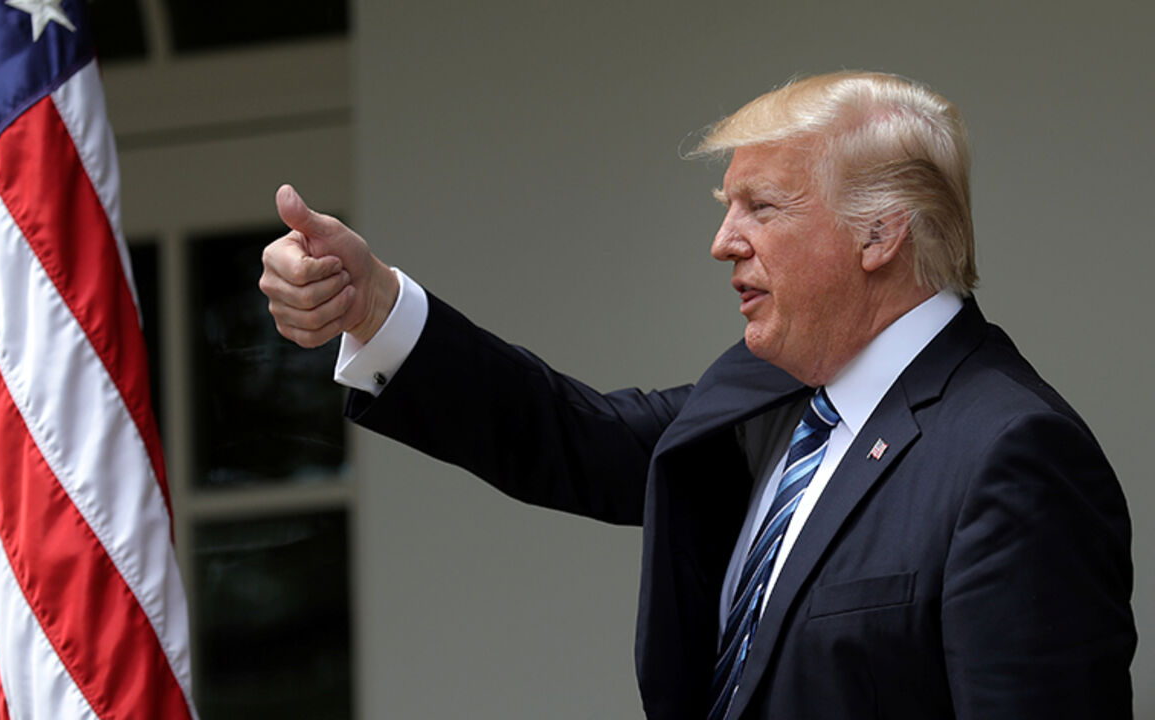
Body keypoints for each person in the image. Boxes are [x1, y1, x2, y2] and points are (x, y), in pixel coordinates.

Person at [259, 71, 1135, 719]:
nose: (724, 242)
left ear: (879, 234)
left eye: (760, 207)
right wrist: (379, 308)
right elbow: (574, 436)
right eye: (728, 206)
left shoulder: (1010, 453)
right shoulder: (772, 387)